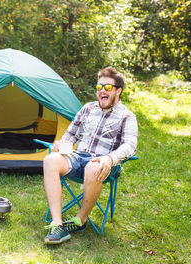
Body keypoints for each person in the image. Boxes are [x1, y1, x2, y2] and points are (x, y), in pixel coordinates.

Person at [43, 67, 138, 244]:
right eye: (99, 86)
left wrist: (109, 159)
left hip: (104, 164)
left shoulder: (127, 116)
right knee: (50, 160)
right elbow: (70, 135)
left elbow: (130, 146)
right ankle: (57, 225)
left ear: (118, 91)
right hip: (78, 157)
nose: (102, 90)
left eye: (108, 87)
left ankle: (80, 220)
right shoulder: (87, 109)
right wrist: (62, 145)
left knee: (94, 166)